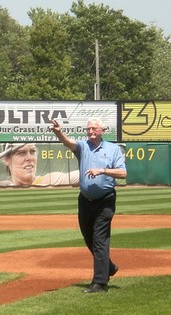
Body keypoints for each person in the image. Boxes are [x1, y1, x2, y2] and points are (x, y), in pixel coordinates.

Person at [50, 117, 127, 293]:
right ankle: (108, 267)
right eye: (89, 129)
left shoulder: (113, 149)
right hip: (85, 200)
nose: (91, 132)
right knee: (88, 237)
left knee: (100, 239)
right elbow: (69, 143)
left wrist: (103, 170)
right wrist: (58, 132)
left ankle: (99, 283)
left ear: (102, 131)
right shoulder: (83, 147)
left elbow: (123, 173)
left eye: (94, 129)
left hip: (105, 200)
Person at [0, 143, 79, 187]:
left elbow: (82, 175)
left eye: (32, 151)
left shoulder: (51, 180)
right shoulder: (0, 187)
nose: (29, 158)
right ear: (6, 159)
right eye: (21, 153)